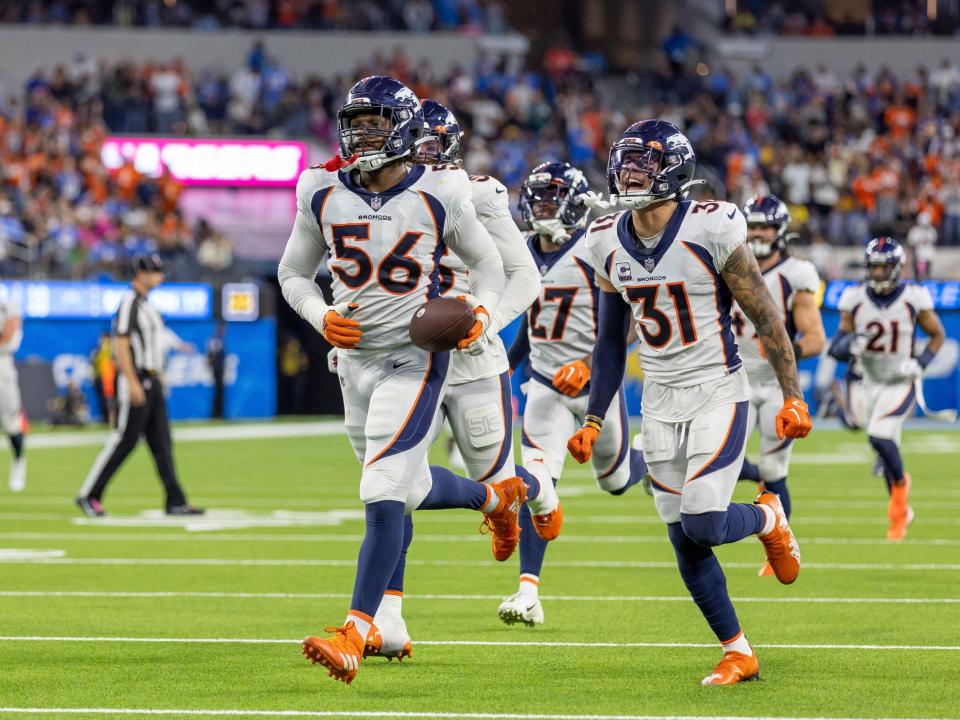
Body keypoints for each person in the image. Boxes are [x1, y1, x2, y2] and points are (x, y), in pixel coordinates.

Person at [278, 76, 516, 685]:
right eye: (355, 123)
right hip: (353, 363)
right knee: (400, 489)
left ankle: (356, 630)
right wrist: (321, 316)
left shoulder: (440, 190)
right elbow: (292, 274)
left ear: (405, 128)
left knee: (381, 488)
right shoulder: (321, 189)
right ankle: (490, 500)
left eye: (376, 124)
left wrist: (483, 314)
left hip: (417, 357)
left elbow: (490, 265)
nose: (362, 135)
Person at [568, 120, 811, 686]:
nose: (629, 174)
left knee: (703, 521)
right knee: (683, 535)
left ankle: (769, 516)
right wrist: (595, 417)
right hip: (658, 399)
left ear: (674, 172)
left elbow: (765, 316)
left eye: (642, 165)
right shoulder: (604, 238)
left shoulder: (713, 225)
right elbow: (609, 341)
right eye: (624, 163)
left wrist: (792, 394)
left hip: (718, 390)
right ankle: (738, 651)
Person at [357, 99, 546, 660]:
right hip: (408, 359)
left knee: (497, 473)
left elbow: (523, 276)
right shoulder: (376, 195)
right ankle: (388, 620)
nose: (426, 154)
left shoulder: (473, 192)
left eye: (436, 145)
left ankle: (533, 488)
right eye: (421, 142)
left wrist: (485, 324)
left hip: (470, 360)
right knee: (397, 486)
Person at [498, 161, 647, 627]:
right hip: (543, 384)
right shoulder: (522, 249)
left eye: (552, 196)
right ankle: (528, 592)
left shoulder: (595, 247)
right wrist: (504, 367)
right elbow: (530, 322)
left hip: (595, 387)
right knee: (537, 484)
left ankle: (645, 455)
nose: (542, 205)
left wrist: (585, 366)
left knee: (616, 481)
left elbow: (631, 324)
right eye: (538, 196)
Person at [731, 194, 825, 575]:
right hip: (732, 378)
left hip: (773, 384)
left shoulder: (796, 273)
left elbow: (816, 337)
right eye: (752, 226)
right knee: (722, 460)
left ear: (780, 230)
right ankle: (761, 485)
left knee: (775, 466)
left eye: (764, 226)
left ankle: (778, 546)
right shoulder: (726, 262)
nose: (757, 233)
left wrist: (786, 353)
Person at [829, 237, 945, 540]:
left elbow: (937, 335)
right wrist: (850, 345)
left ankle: (899, 505)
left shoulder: (914, 297)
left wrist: (920, 362)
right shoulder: (854, 298)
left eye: (884, 267)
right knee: (874, 438)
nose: (878, 273)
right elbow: (837, 346)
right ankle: (902, 508)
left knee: (879, 437)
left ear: (896, 268)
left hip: (899, 381)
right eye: (874, 267)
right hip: (867, 380)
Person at [75, 254, 204, 518]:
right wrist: (132, 380)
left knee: (162, 443)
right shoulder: (129, 303)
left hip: (153, 380)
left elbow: (158, 339)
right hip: (138, 379)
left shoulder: (148, 306)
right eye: (155, 272)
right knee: (123, 440)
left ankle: (175, 500)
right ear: (141, 274)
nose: (160, 277)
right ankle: (89, 494)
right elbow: (120, 343)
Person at [0, 294, 26, 492]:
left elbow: (9, 335)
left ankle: (18, 461)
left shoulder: (8, 306)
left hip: (3, 365)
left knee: (11, 423)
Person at [906, 212, 936, 282]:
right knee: (918, 275)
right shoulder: (914, 230)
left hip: (928, 255)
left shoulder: (932, 230)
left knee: (927, 274)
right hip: (918, 256)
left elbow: (933, 240)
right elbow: (910, 243)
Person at [206, 321, 227, 419]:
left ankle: (219, 413)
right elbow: (210, 355)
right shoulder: (215, 340)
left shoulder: (219, 340)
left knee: (220, 392)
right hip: (217, 369)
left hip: (220, 368)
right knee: (218, 392)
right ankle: (217, 414)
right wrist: (212, 364)